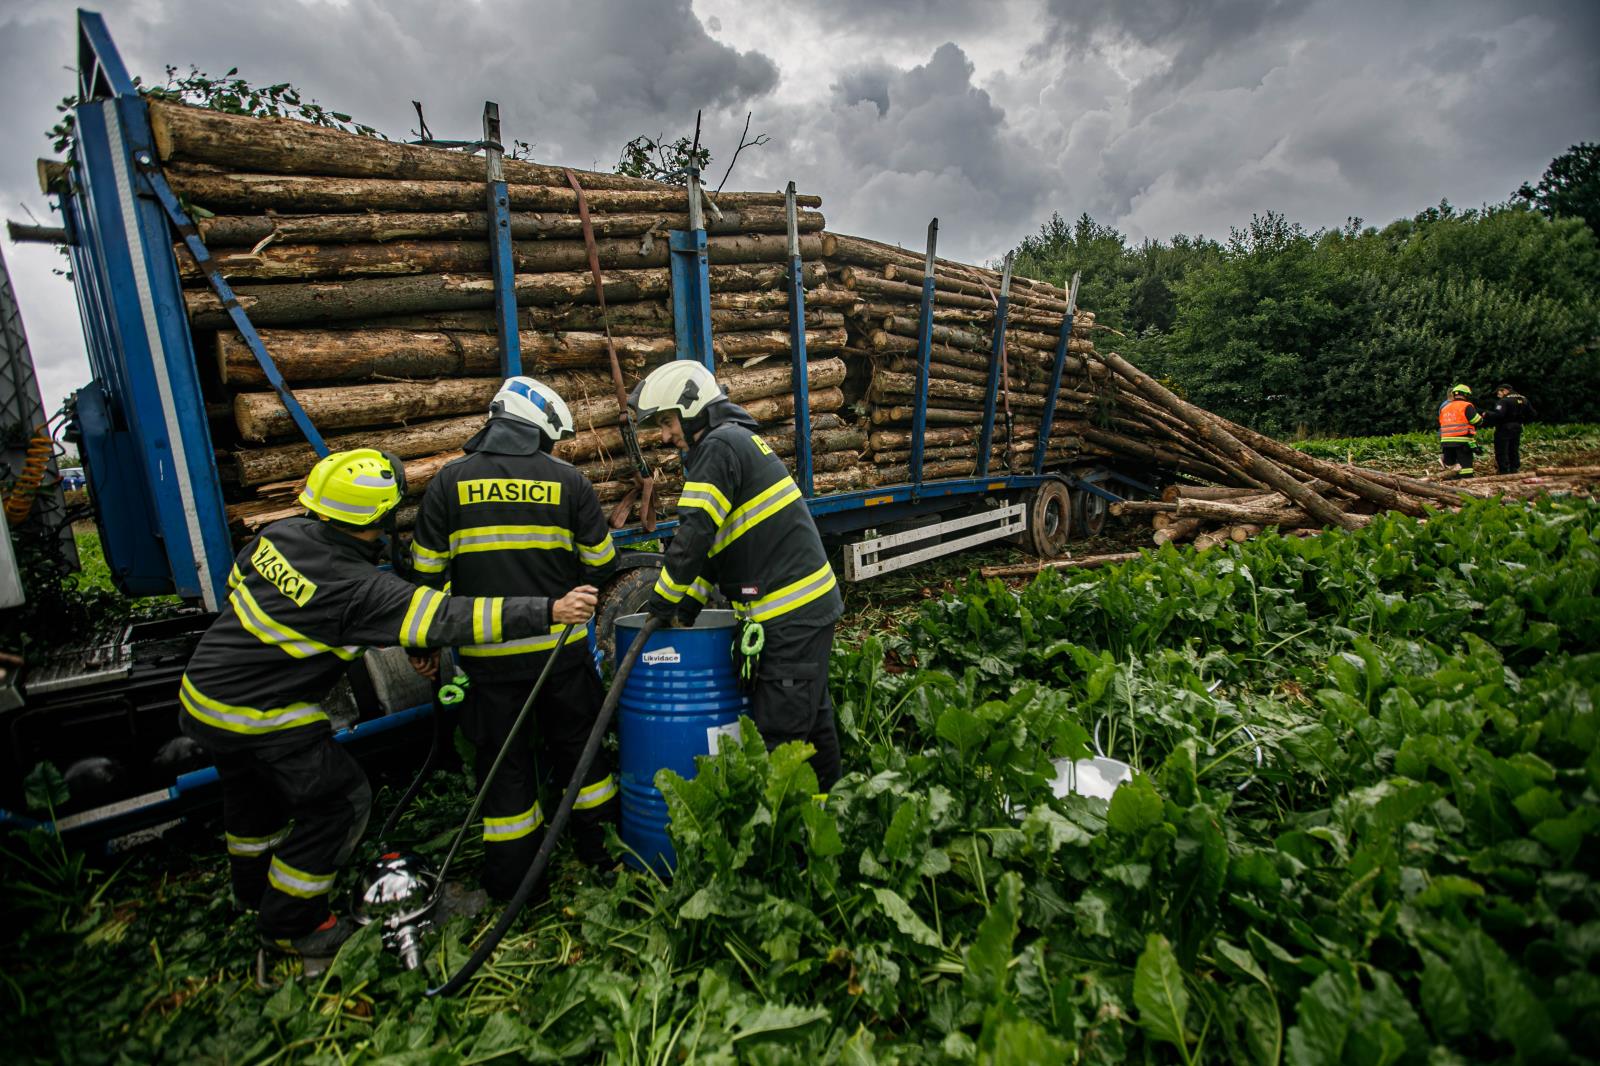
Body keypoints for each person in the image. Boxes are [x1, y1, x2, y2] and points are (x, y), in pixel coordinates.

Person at [179, 448, 593, 967]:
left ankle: (251, 893)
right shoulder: (358, 587)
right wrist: (549, 609)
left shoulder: (277, 538)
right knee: (340, 801)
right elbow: (451, 617)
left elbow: (240, 585)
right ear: (379, 519)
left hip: (202, 698)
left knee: (251, 804)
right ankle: (294, 924)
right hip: (264, 714)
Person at [409, 378, 619, 898]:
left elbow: (426, 582)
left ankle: (517, 888)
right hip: (562, 658)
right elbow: (602, 565)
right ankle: (607, 858)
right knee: (585, 761)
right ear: (540, 426)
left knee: (505, 775)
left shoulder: (446, 484)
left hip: (489, 665)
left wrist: (423, 649)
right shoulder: (569, 482)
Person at [628, 361, 844, 790]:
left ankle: (784, 842)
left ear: (692, 411)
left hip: (791, 615)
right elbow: (716, 547)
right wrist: (690, 603)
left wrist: (662, 601)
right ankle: (829, 813)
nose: (665, 435)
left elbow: (694, 535)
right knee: (813, 723)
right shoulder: (734, 442)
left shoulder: (718, 448)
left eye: (669, 421)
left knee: (779, 736)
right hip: (806, 608)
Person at [1484, 383, 1535, 474]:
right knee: (1514, 449)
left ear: (1505, 390)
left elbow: (1499, 414)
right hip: (1517, 427)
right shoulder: (1523, 399)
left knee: (1502, 449)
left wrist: (1487, 414)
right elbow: (1532, 414)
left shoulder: (1504, 401)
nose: (1497, 394)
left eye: (1499, 392)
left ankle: (1504, 470)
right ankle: (1514, 469)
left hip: (1504, 428)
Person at [1437, 383, 1483, 477]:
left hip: (1446, 441)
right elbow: (1476, 420)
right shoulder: (1466, 405)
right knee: (1466, 467)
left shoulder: (1445, 407)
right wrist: (1482, 418)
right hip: (1462, 441)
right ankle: (1467, 482)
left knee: (1451, 465)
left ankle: (1452, 482)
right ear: (1465, 394)